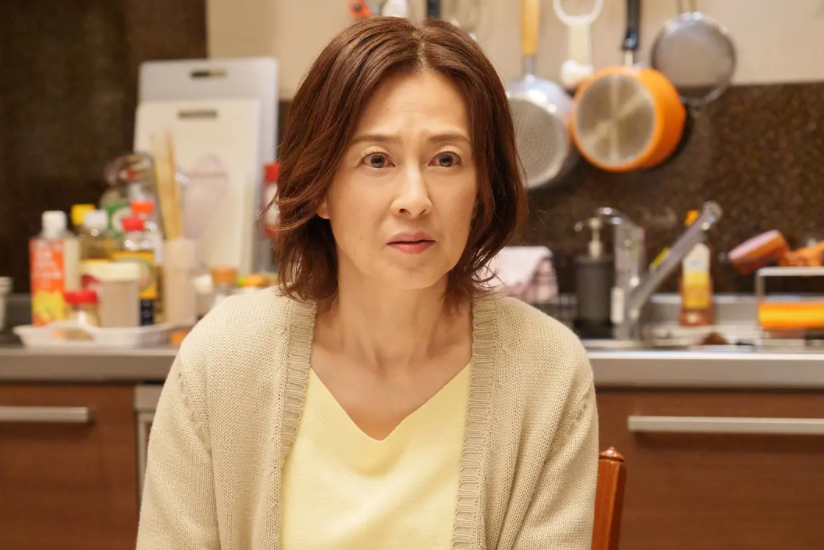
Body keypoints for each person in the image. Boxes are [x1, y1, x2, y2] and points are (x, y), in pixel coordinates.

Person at [136, 16, 598, 550]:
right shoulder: (222, 359)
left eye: (446, 159)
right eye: (377, 160)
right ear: (321, 188)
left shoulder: (546, 370)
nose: (415, 199)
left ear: (481, 187)